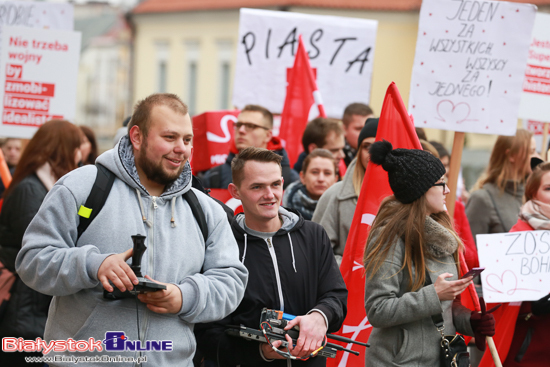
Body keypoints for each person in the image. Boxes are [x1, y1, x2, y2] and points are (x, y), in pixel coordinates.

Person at [15, 94, 248, 366]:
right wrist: (94, 265)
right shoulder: (82, 187)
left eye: (187, 140)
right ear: (137, 137)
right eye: (170, 137)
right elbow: (32, 260)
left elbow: (231, 282)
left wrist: (184, 297)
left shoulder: (206, 209)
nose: (181, 149)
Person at [195, 147, 347, 367]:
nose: (270, 195)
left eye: (275, 184)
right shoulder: (221, 244)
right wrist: (260, 352)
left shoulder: (314, 235)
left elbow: (336, 296)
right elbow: (207, 333)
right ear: (235, 191)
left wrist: (319, 316)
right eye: (257, 187)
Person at [363, 140, 495, 366]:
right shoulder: (390, 236)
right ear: (421, 189)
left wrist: (469, 321)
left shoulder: (441, 231)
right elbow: (378, 309)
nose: (448, 190)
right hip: (398, 362)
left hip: (439, 359)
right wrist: (434, 295)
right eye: (441, 183)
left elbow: (443, 308)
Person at [0, 120, 83, 366]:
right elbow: (40, 249)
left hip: (32, 306)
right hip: (24, 308)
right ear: (62, 149)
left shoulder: (44, 186)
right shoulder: (31, 190)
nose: (79, 154)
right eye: (76, 147)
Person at [478, 162, 550, 367]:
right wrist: (532, 307)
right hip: (530, 351)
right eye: (549, 188)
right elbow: (497, 305)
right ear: (532, 194)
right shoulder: (517, 239)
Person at [312, 118, 378, 265]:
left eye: (378, 147)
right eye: (367, 146)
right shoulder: (334, 195)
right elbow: (316, 251)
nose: (372, 153)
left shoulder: (405, 199)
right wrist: (352, 270)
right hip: (345, 285)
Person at [201, 104, 298, 189]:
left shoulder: (290, 178)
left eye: (250, 126)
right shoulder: (214, 176)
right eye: (238, 125)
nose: (241, 130)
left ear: (268, 135)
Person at [466, 129, 535, 240]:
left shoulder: (533, 196)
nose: (538, 157)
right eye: (531, 152)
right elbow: (469, 251)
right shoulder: (482, 198)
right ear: (512, 155)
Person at [283, 149, 338, 220]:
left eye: (327, 173)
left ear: (335, 180)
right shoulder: (282, 206)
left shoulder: (342, 208)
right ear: (303, 177)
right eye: (315, 172)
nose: (321, 179)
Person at [341, 103, 373, 167]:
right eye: (359, 129)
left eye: (368, 128)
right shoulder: (338, 155)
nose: (365, 133)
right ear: (344, 129)